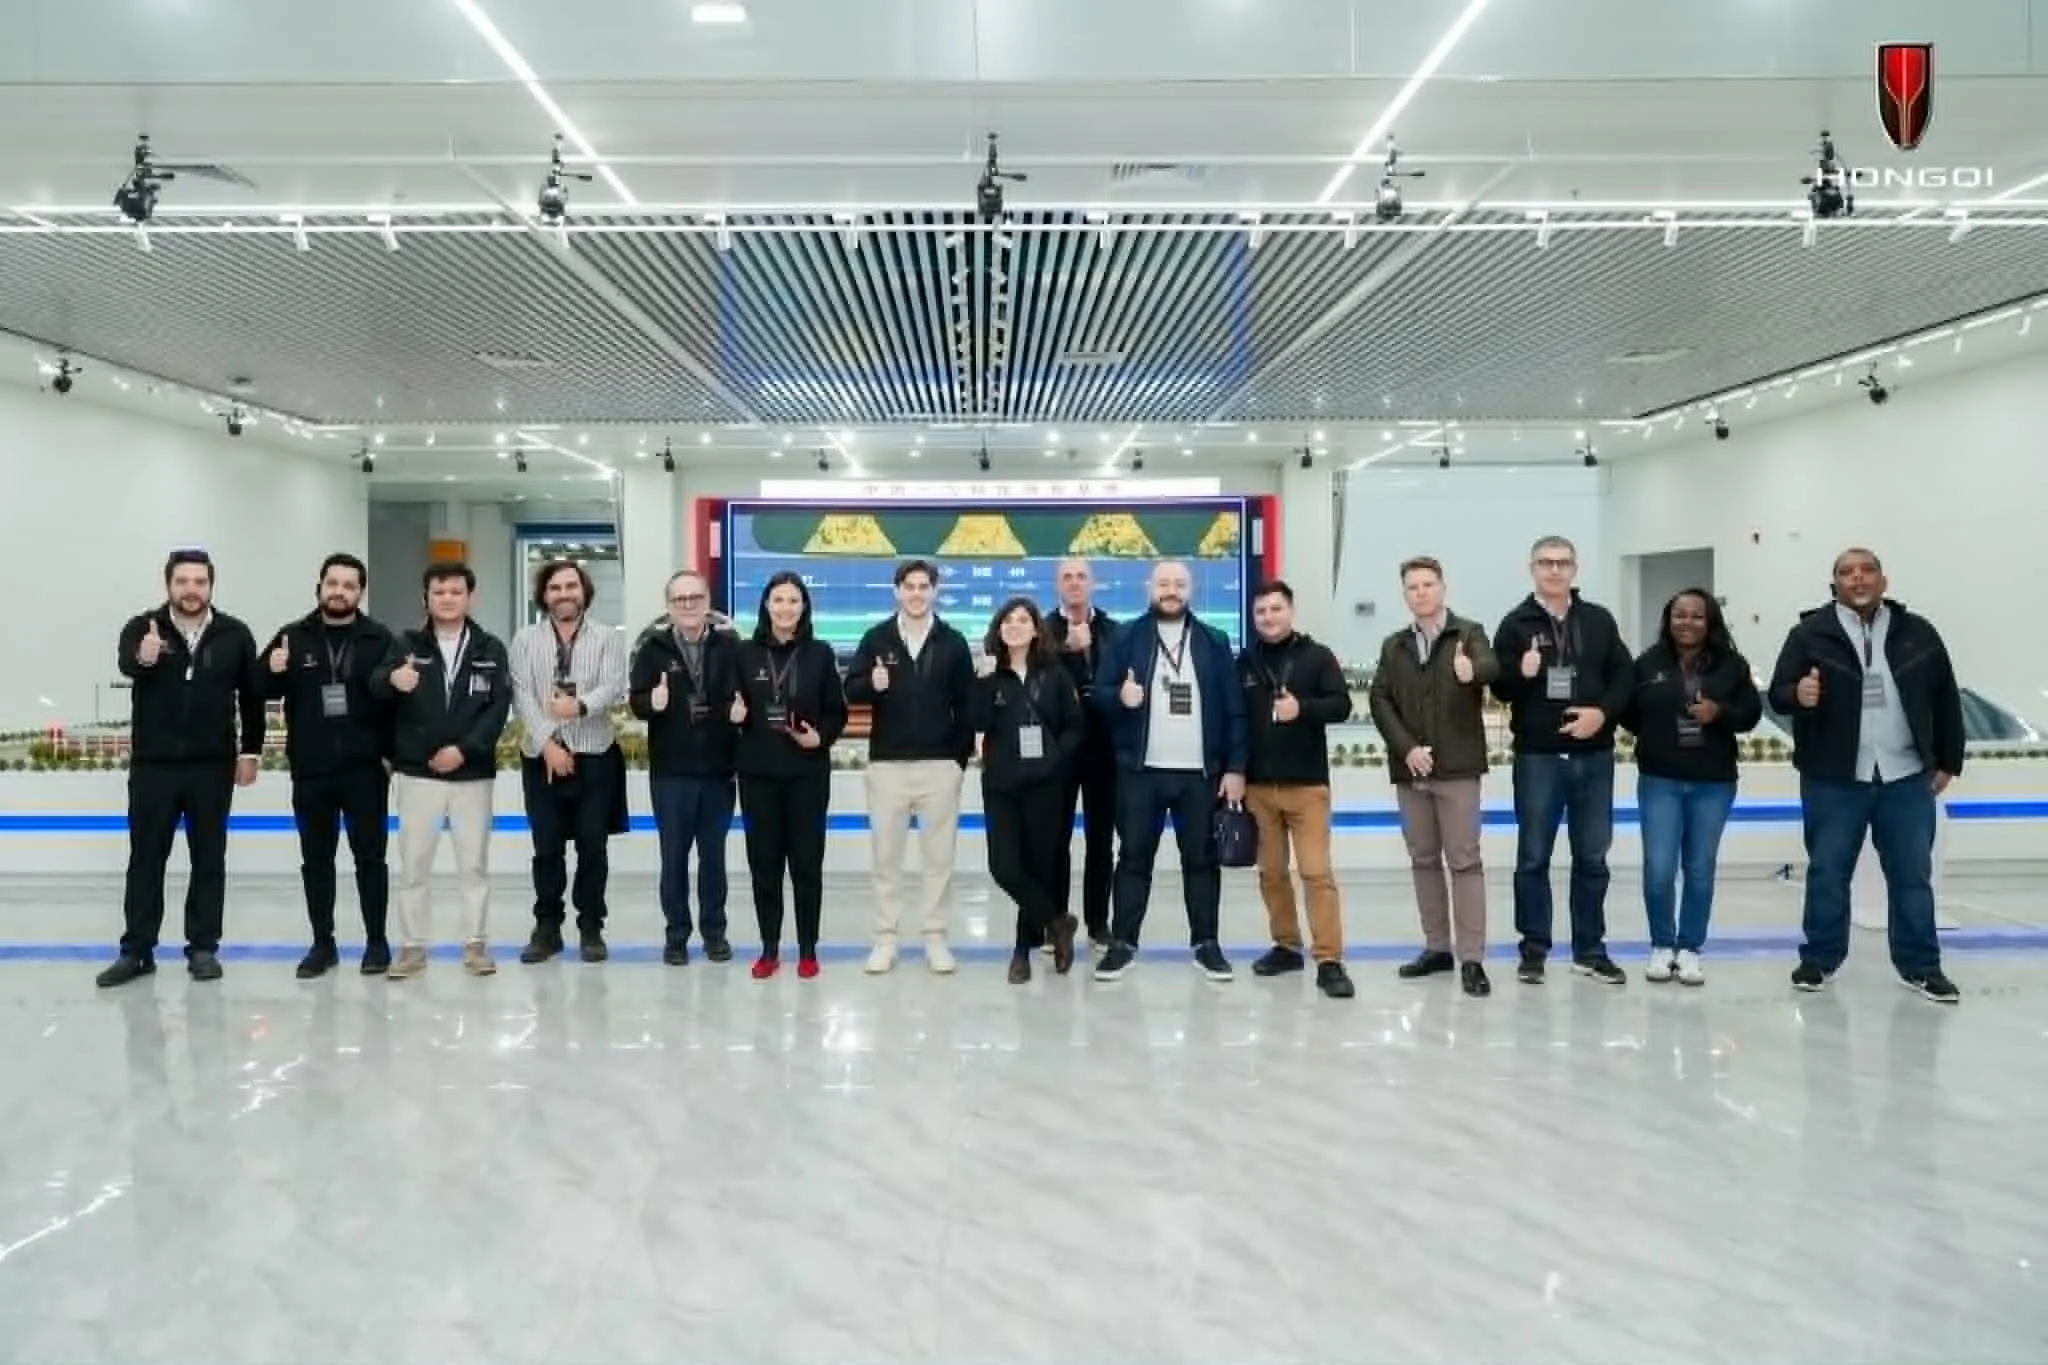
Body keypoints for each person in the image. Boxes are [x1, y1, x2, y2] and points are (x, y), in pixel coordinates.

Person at [1768, 547, 1964, 1004]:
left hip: (1905, 775)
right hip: (1834, 778)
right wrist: (1798, 693)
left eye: (1867, 570)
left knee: (1912, 876)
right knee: (1828, 872)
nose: (1858, 578)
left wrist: (1948, 760)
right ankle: (1818, 960)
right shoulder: (1809, 634)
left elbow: (1945, 698)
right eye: (1846, 572)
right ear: (1834, 584)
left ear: (1883, 581)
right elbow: (1778, 694)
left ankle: (1921, 967)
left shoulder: (1918, 633)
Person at [97, 548, 265, 988]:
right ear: (168, 584)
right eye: (183, 581)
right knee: (146, 858)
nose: (191, 590)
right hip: (154, 766)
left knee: (209, 857)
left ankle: (203, 948)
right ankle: (137, 951)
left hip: (212, 767)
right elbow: (126, 663)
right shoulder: (143, 627)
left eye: (199, 582)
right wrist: (145, 657)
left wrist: (250, 751)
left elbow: (252, 697)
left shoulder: (234, 634)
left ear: (211, 585)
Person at [1092, 560, 1248, 982]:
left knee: (1201, 861)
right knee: (1133, 859)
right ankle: (1123, 943)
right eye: (1164, 583)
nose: (1171, 591)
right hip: (1141, 773)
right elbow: (1099, 695)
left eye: (1179, 583)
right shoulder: (1126, 637)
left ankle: (1207, 944)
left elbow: (1235, 710)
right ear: (1150, 588)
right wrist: (1120, 696)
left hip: (1200, 775)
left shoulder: (1214, 641)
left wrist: (1235, 767)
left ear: (1190, 589)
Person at [1490, 535, 1634, 986]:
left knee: (1592, 857)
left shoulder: (1598, 620)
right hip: (1539, 757)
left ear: (1575, 568)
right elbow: (1499, 687)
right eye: (1545, 563)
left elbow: (1624, 676)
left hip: (1594, 755)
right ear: (1532, 568)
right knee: (1533, 857)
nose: (1554, 570)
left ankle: (1590, 950)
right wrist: (1521, 673)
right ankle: (1534, 949)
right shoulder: (1514, 625)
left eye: (1562, 563)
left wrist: (1602, 715)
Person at [370, 562, 513, 980]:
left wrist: (464, 750)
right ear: (426, 598)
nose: (447, 599)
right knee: (414, 864)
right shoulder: (405, 644)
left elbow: (497, 709)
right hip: (418, 774)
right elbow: (375, 686)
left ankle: (475, 944)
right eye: (439, 592)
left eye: (455, 592)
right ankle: (413, 947)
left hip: (472, 774)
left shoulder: (490, 648)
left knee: (473, 865)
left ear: (470, 597)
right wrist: (392, 678)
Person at [261, 552, 398, 978]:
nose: (339, 592)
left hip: (365, 770)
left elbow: (395, 702)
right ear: (319, 586)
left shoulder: (379, 639)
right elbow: (259, 688)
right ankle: (323, 944)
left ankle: (377, 942)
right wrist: (271, 669)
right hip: (311, 769)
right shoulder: (292, 636)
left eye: (349, 585)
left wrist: (390, 754)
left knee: (370, 859)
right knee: (316, 860)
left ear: (360, 592)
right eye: (332, 583)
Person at [1368, 556, 1500, 998]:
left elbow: (1491, 667)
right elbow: (1380, 700)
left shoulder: (1469, 634)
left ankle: (1472, 958)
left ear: (1442, 587)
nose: (1421, 592)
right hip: (1411, 770)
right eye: (1413, 587)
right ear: (1405, 594)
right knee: (1423, 859)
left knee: (1464, 861)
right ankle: (1437, 947)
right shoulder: (1394, 646)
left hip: (1458, 767)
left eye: (1428, 584)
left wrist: (1472, 671)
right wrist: (1407, 748)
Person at [1621, 590, 1762, 987]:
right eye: (1679, 615)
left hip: (1713, 782)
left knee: (1699, 869)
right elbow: (1629, 714)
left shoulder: (1731, 666)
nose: (1687, 622)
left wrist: (1719, 713)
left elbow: (1750, 714)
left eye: (1697, 616)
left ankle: (1690, 949)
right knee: (1659, 868)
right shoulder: (1647, 663)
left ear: (1710, 621)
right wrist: (1658, 735)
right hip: (1660, 778)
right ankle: (1661, 945)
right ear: (1668, 620)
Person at [843, 559, 975, 974]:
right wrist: (871, 685)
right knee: (886, 860)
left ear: (935, 591)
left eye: (924, 586)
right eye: (909, 586)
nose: (916, 594)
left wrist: (956, 761)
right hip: (888, 766)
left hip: (939, 767)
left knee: (939, 861)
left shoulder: (953, 642)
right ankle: (886, 939)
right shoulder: (876, 638)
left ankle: (935, 938)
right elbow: (851, 688)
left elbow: (967, 704)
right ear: (897, 591)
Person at [1237, 580, 1357, 999]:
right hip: (1258, 789)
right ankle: (1286, 946)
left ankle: (1329, 959)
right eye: (1261, 611)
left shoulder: (1317, 656)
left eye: (1276, 609)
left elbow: (1341, 705)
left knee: (1315, 873)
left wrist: (1301, 708)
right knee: (1271, 873)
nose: (1268, 617)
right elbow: (1235, 719)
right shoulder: (1245, 662)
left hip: (1307, 787)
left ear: (1290, 611)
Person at [511, 559, 630, 965]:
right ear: (544, 596)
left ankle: (591, 927)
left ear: (584, 592)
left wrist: (578, 706)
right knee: (546, 847)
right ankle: (547, 928)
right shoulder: (525, 640)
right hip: (541, 756)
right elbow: (522, 696)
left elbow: (612, 686)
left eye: (571, 586)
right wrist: (548, 744)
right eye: (555, 588)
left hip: (595, 754)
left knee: (592, 846)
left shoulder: (607, 638)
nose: (564, 594)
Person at [732, 571, 848, 979]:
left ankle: (808, 950)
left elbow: (837, 711)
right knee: (764, 865)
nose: (785, 608)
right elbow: (729, 704)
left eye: (793, 601)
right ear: (766, 605)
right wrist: (733, 715)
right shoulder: (745, 654)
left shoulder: (820, 654)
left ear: (804, 608)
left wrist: (821, 737)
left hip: (807, 776)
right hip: (758, 776)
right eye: (778, 600)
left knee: (806, 865)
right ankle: (769, 949)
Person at [628, 570, 740, 965]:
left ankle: (715, 933)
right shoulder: (652, 649)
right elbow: (636, 702)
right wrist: (651, 703)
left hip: (719, 772)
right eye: (680, 599)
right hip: (671, 774)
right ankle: (676, 935)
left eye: (695, 597)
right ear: (669, 607)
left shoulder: (730, 647)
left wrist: (740, 714)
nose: (688, 605)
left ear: (708, 602)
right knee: (673, 859)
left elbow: (743, 696)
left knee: (714, 858)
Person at [972, 597, 1086, 983]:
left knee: (1038, 866)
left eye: (1023, 620)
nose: (1014, 625)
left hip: (1045, 786)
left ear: (1036, 629)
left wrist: (1056, 758)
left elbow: (1075, 726)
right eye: (1007, 620)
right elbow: (975, 721)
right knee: (1004, 866)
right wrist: (983, 682)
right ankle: (1057, 922)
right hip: (1001, 785)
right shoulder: (990, 674)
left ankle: (1022, 950)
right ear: (998, 629)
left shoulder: (1054, 674)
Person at [1047, 557, 1118, 948]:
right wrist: (1067, 649)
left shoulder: (1113, 629)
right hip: (1058, 751)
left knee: (1101, 842)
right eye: (1067, 577)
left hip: (1104, 750)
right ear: (1058, 584)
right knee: (1054, 841)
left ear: (1093, 583)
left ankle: (1098, 922)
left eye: (1081, 577)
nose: (1074, 583)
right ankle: (1055, 922)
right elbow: (1036, 676)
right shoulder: (1042, 630)